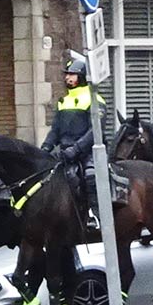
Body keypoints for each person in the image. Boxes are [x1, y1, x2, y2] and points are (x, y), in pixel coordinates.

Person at [42, 52, 101, 207]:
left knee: (90, 176)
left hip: (87, 153)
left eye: (72, 75)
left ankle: (94, 213)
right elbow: (55, 130)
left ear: (82, 77)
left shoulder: (94, 100)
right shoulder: (64, 101)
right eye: (67, 75)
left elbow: (95, 131)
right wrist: (45, 148)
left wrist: (76, 149)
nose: (67, 78)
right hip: (64, 151)